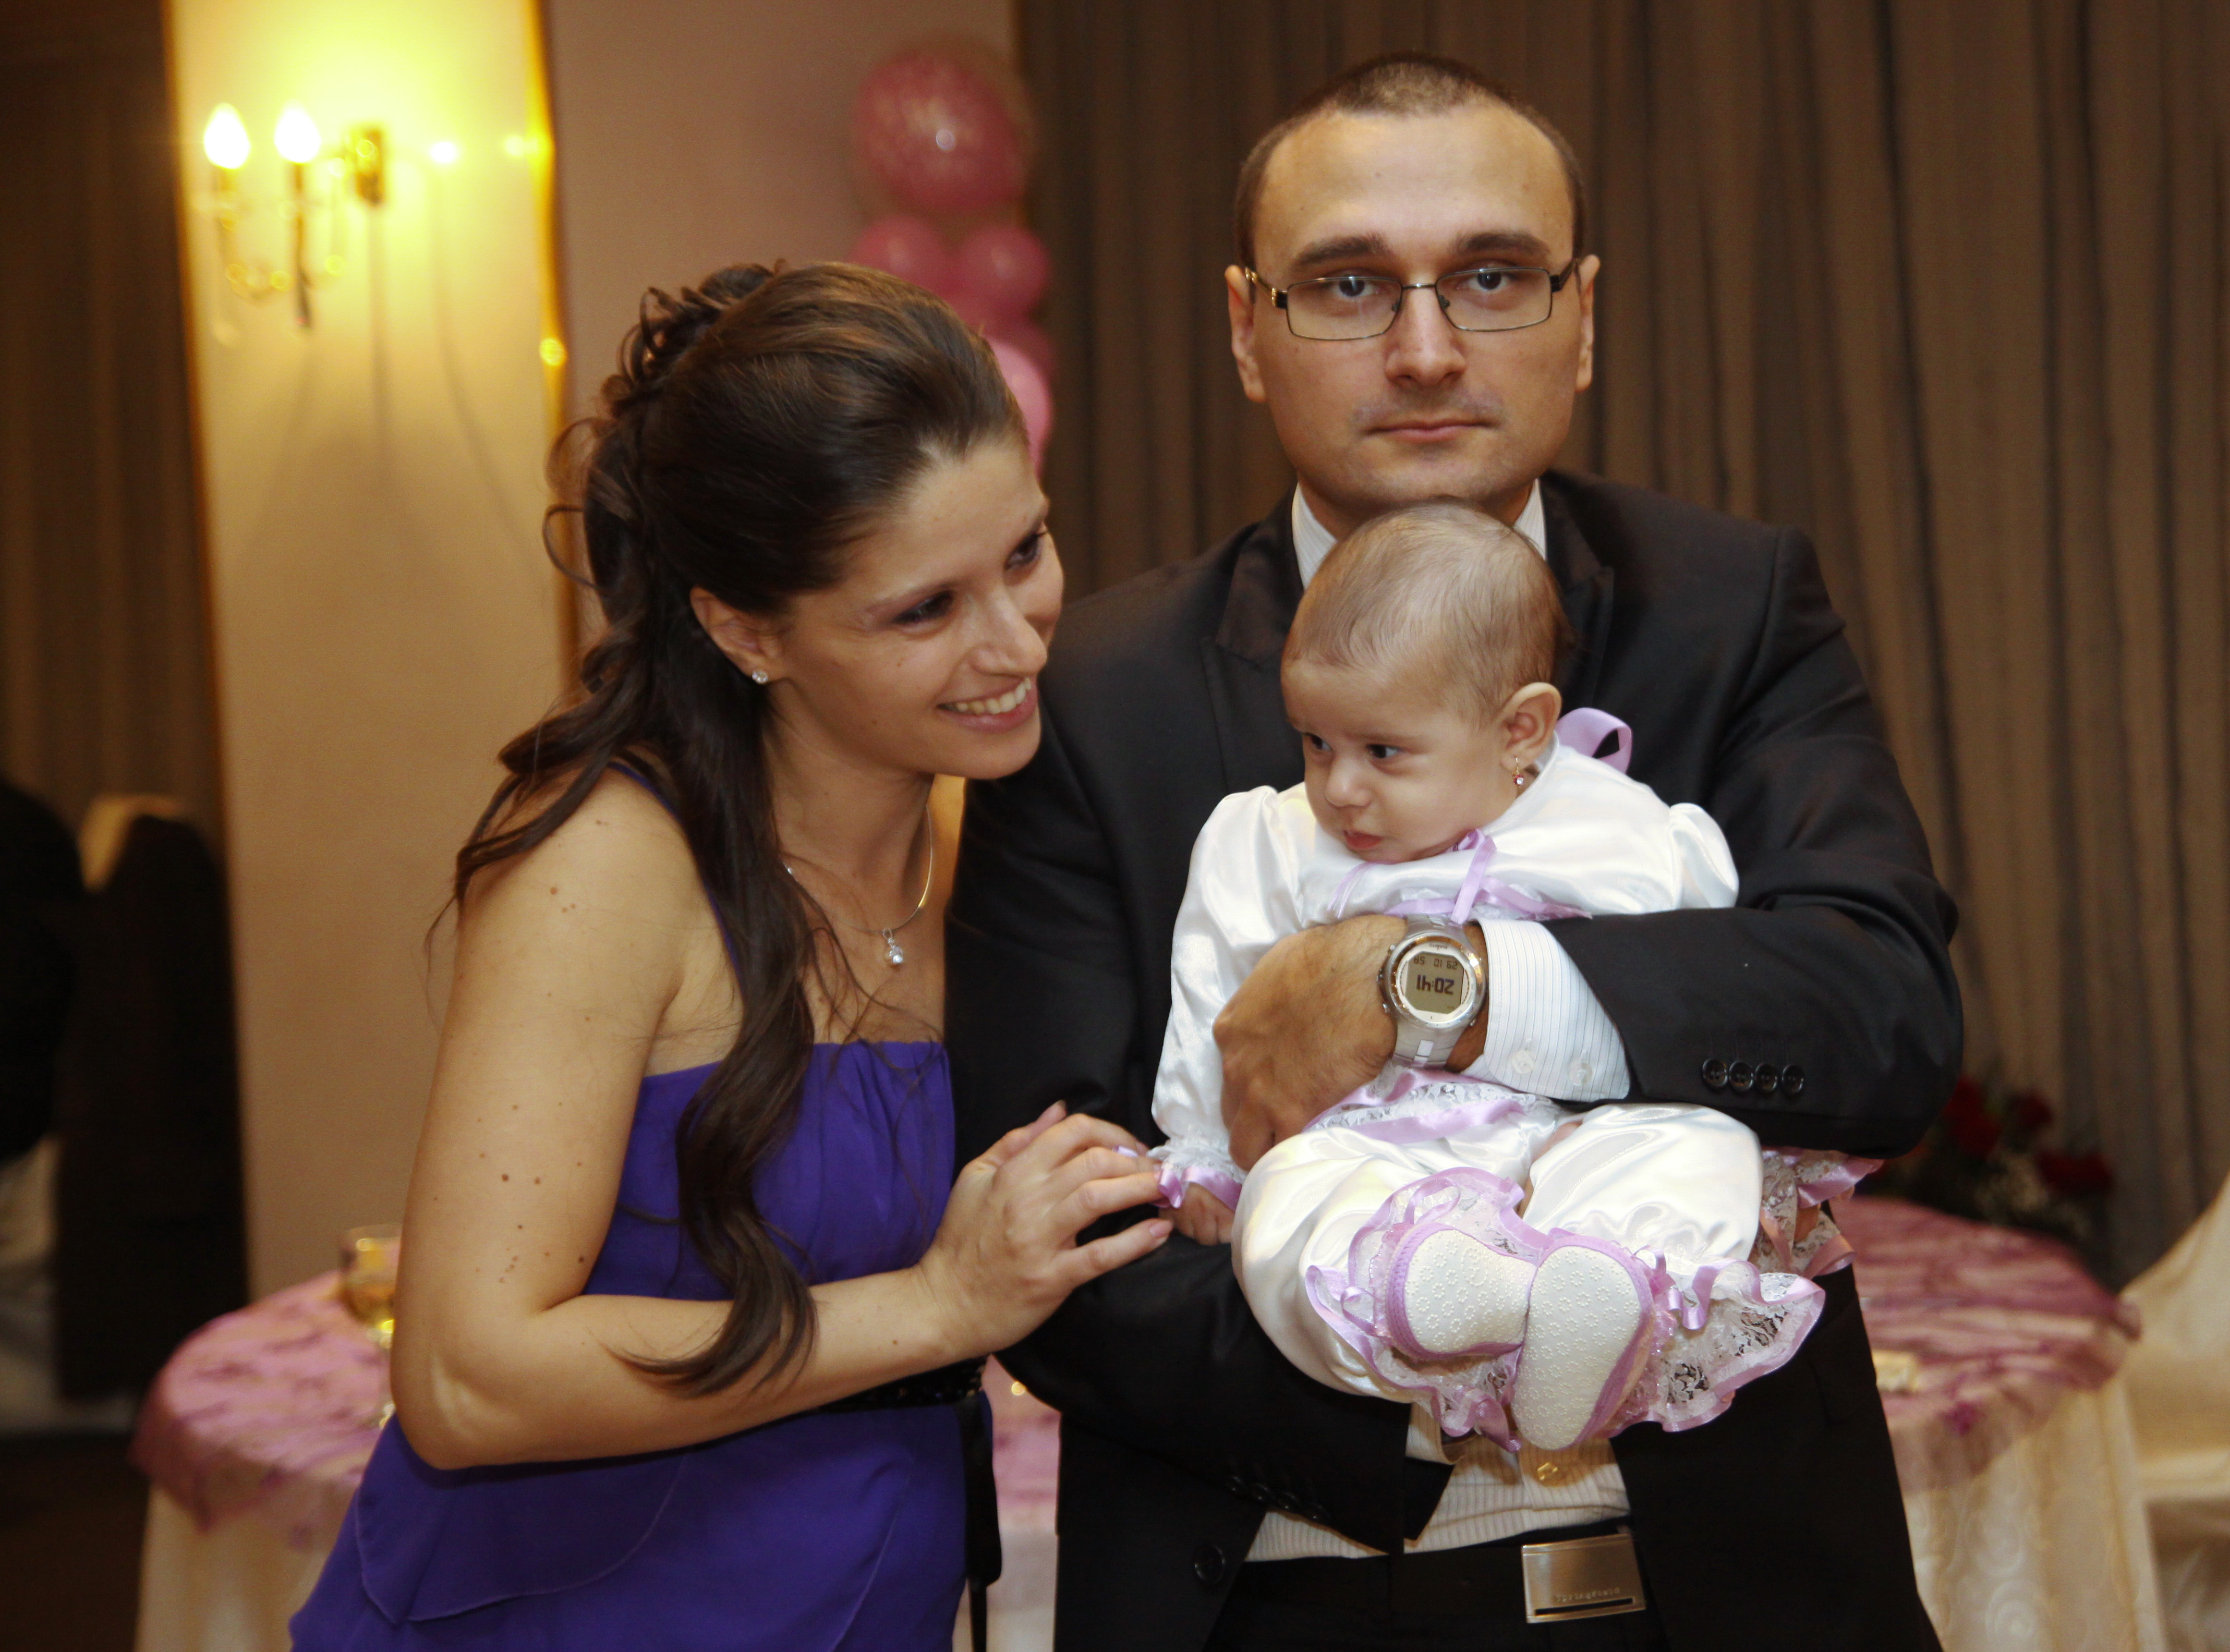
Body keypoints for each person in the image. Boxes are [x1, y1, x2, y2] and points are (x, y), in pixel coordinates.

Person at [947, 52, 1960, 1652]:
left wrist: (1438, 988)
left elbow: (1877, 1014)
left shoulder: (1733, 605)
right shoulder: (1099, 694)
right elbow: (1053, 1216)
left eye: (1492, 277)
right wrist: (1441, 1361)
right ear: (1247, 329)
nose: (1426, 351)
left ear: (1584, 315)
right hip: (1287, 1602)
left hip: (1728, 1601)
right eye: (1350, 286)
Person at [292, 262, 1167, 1651]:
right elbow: (467, 1381)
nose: (1015, 645)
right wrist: (937, 1306)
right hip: (579, 1615)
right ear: (747, 629)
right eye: (924, 610)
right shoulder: (611, 863)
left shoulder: (1000, 850)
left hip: (867, 1599)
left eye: (1025, 554)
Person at [1149, 501, 1829, 1456]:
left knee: (1702, 1141)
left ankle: (1596, 1298)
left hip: (1573, 1131)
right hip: (1373, 1143)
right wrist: (1205, 1151)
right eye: (1315, 741)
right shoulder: (1270, 837)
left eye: (1383, 751)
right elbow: (1215, 995)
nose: (1338, 788)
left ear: (1520, 730)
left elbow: (1708, 986)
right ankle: (1435, 1286)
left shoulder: (1620, 828)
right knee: (1289, 1204)